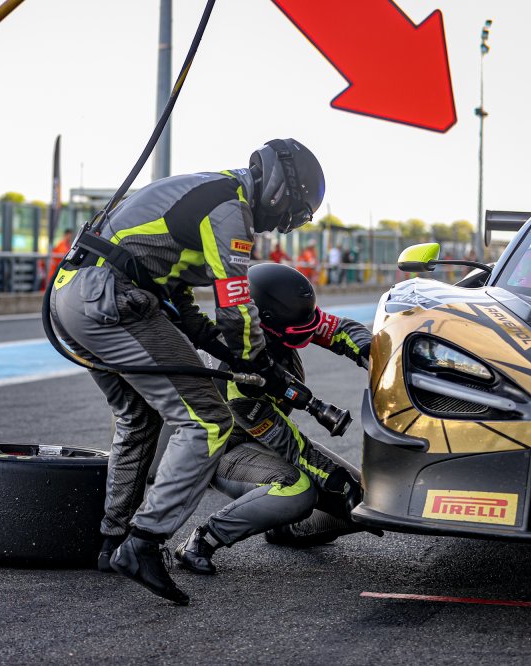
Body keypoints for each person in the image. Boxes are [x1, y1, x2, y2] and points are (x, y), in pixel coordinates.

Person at [50, 137, 325, 604]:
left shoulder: (211, 191)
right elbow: (236, 307)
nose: (285, 224)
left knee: (139, 417)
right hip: (111, 299)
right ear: (282, 190)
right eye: (292, 213)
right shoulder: (231, 209)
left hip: (75, 297)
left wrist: (228, 352)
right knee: (208, 422)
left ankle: (113, 541)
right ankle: (144, 543)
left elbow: (178, 302)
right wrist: (258, 364)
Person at [173, 263, 374, 574]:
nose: (307, 332)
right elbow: (290, 446)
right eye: (297, 330)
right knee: (299, 489)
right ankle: (203, 539)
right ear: (264, 322)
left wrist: (371, 353)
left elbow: (339, 329)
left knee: (369, 501)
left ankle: (286, 528)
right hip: (223, 449)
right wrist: (338, 482)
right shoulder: (238, 373)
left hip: (262, 440)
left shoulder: (282, 325)